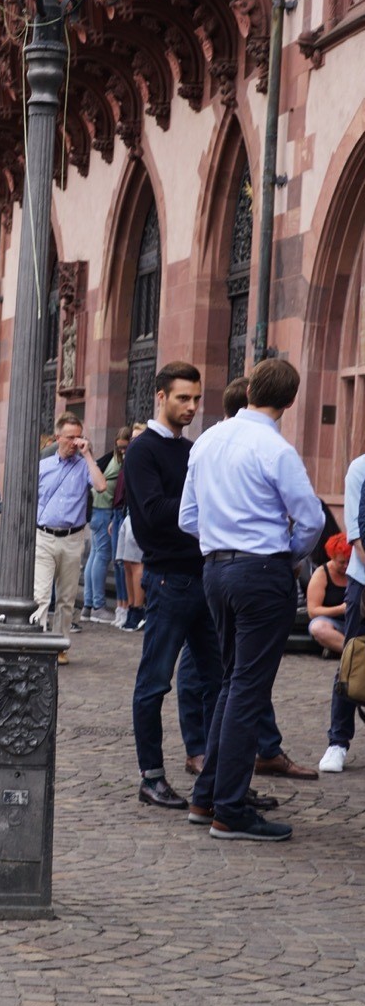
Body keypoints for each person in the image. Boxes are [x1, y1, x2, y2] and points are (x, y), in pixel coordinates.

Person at [179, 359, 324, 841]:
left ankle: (207, 798)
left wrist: (222, 536)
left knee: (231, 684)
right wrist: (288, 556)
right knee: (247, 689)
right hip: (260, 571)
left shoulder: (207, 441)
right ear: (288, 402)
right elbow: (311, 520)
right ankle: (229, 809)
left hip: (216, 569)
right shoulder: (274, 448)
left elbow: (187, 517)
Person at [122, 363, 223, 809]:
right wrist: (208, 509)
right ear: (160, 396)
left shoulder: (191, 449)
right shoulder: (143, 450)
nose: (192, 407)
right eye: (183, 398)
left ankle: (212, 765)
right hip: (167, 578)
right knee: (154, 683)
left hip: (203, 577)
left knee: (218, 679)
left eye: (197, 399)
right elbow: (153, 509)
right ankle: (151, 776)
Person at [34, 411, 108, 662]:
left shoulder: (84, 465)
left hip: (73, 538)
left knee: (66, 597)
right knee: (41, 595)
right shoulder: (43, 466)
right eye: (69, 438)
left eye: (78, 437)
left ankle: (59, 645)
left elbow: (100, 486)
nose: (74, 443)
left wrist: (88, 454)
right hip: (44, 535)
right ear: (57, 438)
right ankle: (37, 644)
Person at [320, 450, 365, 774]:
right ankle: (338, 742)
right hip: (363, 581)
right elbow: (357, 535)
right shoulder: (360, 469)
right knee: (352, 661)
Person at [84, 429, 127, 622]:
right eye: (123, 446)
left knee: (95, 556)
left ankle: (88, 604)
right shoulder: (118, 461)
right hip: (104, 511)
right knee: (101, 556)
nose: (124, 450)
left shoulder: (111, 458)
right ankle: (98, 606)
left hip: (97, 510)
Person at [113, 423, 147, 630]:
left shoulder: (144, 459)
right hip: (126, 514)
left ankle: (137, 609)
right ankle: (129, 609)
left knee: (136, 564)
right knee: (126, 563)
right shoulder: (128, 460)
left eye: (137, 439)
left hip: (139, 515)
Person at [307, 533, 350, 658]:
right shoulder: (322, 573)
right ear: (332, 557)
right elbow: (313, 611)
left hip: (357, 621)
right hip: (332, 622)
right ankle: (354, 653)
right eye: (341, 562)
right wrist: (341, 609)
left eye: (349, 561)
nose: (346, 566)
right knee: (318, 627)